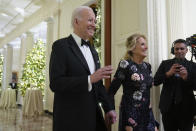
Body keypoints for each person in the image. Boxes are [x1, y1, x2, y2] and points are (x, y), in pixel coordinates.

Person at [49, 6, 117, 131]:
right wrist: (89, 79)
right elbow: (55, 83)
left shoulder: (93, 50)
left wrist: (109, 108)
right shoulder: (60, 46)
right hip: (71, 120)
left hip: (94, 118)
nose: (94, 25)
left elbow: (98, 84)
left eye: (95, 22)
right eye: (90, 20)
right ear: (76, 22)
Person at [108, 34, 157, 131]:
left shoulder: (147, 66)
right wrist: (111, 110)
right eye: (143, 44)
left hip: (147, 112)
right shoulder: (125, 64)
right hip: (131, 113)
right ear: (133, 48)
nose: (146, 47)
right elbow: (111, 90)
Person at [154, 39, 196, 131]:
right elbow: (155, 81)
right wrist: (168, 73)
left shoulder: (193, 66)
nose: (179, 51)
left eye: (182, 48)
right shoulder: (165, 64)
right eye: (177, 49)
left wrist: (186, 77)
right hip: (168, 109)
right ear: (174, 50)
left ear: (186, 50)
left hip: (187, 109)